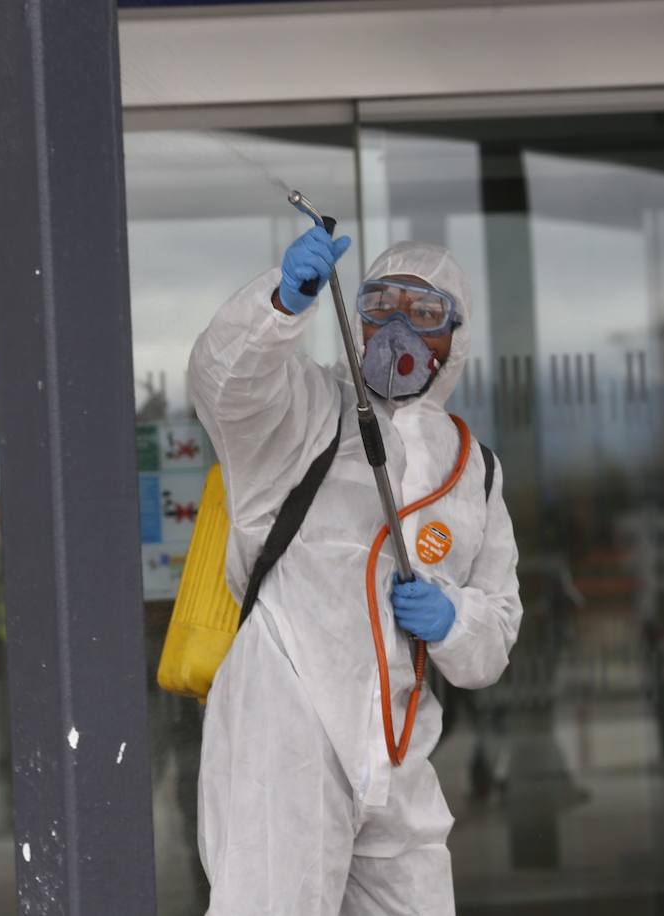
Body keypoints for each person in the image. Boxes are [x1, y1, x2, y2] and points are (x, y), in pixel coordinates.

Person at [188, 226, 523, 915]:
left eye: (424, 312)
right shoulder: (303, 413)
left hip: (398, 755)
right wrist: (279, 308)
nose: (397, 326)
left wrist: (454, 619)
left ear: (454, 338)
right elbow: (226, 384)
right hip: (287, 737)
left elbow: (496, 629)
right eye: (380, 305)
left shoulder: (474, 472)